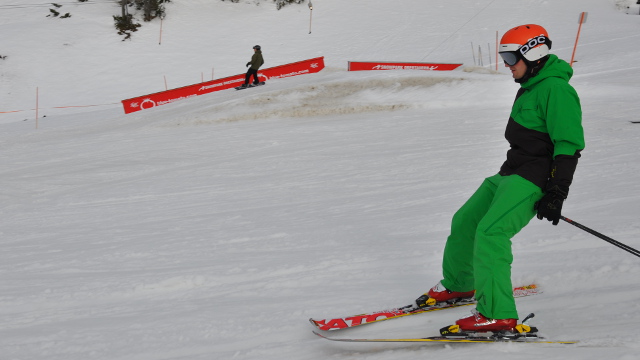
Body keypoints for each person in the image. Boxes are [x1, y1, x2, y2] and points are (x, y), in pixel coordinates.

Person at [418, 24, 585, 332]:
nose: (507, 66)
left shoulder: (556, 90)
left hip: (532, 178)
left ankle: (498, 313)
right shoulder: (532, 85)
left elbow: (568, 144)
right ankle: (460, 283)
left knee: (491, 234)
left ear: (533, 54)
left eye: (511, 58)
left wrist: (557, 191)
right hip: (511, 170)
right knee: (466, 220)